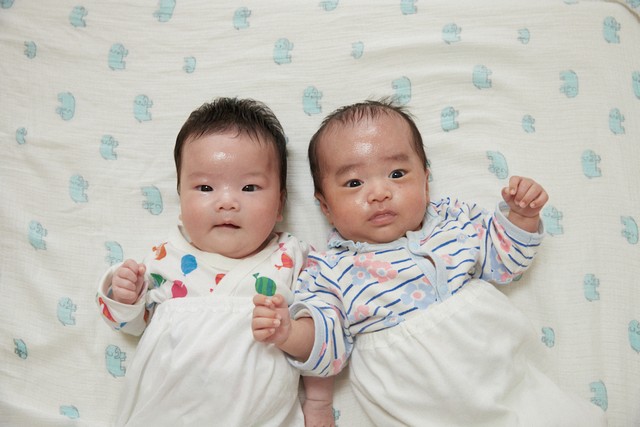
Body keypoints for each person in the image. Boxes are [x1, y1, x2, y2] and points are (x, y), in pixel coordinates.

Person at [252, 99, 607, 426]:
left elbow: (506, 262)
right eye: (354, 182)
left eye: (397, 174)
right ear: (326, 206)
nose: (379, 193)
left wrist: (521, 216)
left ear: (425, 180)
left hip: (493, 363)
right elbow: (328, 348)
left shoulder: (453, 222)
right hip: (413, 392)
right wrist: (290, 333)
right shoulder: (329, 270)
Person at [96, 97, 333, 426]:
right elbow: (132, 326)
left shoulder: (293, 258)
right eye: (205, 187)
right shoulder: (165, 257)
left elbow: (326, 338)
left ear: (280, 204)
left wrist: (291, 333)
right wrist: (124, 296)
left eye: (249, 187)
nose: (227, 202)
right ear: (181, 200)